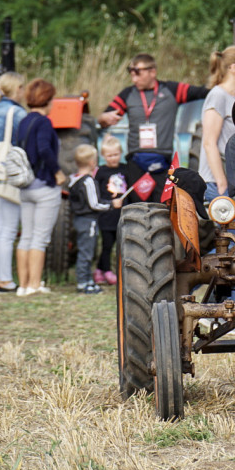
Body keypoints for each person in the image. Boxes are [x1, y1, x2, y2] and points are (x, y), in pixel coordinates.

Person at [16, 78, 66, 297]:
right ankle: (35, 284)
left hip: (25, 186)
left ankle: (23, 285)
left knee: (26, 235)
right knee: (40, 238)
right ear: (48, 99)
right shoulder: (44, 122)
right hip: (44, 184)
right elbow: (45, 149)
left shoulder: (24, 121)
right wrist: (57, 171)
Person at [98, 54, 209, 152]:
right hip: (136, 158)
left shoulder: (171, 90)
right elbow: (103, 119)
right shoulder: (128, 94)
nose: (134, 80)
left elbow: (202, 92)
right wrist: (104, 118)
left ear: (152, 72)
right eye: (132, 75)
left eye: (138, 74)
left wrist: (222, 77)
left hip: (162, 157)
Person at [0, 71, 27, 293]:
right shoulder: (17, 112)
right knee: (9, 229)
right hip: (11, 172)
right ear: (16, 89)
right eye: (22, 88)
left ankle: (1, 277)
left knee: (0, 228)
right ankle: (5, 280)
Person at [68, 145, 123, 294]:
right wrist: (112, 204)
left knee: (86, 250)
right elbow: (94, 204)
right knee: (87, 252)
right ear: (92, 163)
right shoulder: (88, 181)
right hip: (89, 220)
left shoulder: (74, 179)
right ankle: (83, 282)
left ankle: (87, 280)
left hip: (80, 219)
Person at [200, 46, 235, 203]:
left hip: (232, 179)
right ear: (233, 68)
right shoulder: (218, 95)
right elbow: (209, 142)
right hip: (216, 181)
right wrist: (221, 182)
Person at [95, 135, 126, 285]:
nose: (113, 158)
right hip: (106, 216)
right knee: (107, 245)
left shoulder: (125, 169)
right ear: (103, 156)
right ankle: (106, 270)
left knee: (116, 244)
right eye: (109, 155)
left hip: (120, 215)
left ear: (120, 153)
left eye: (115, 154)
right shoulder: (101, 172)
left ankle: (99, 269)